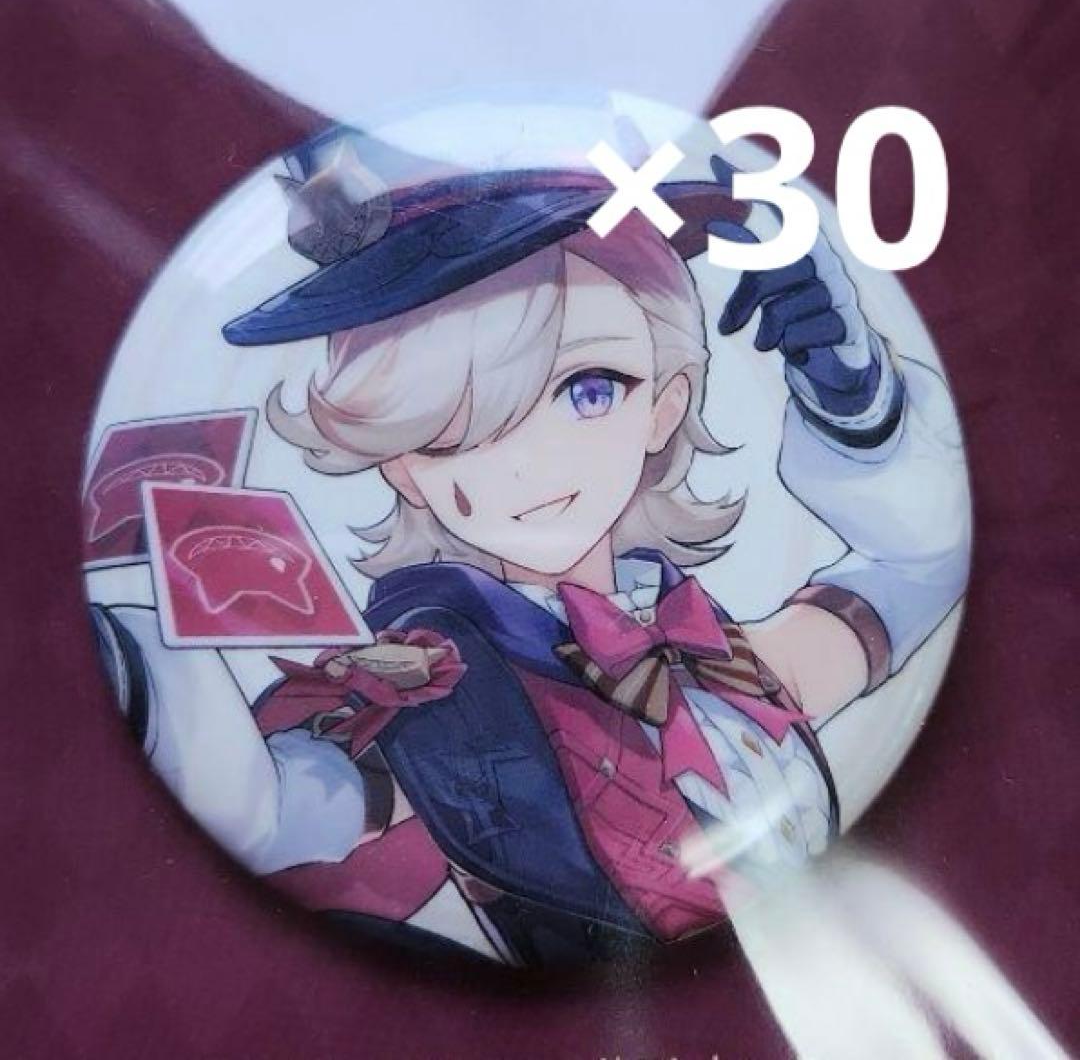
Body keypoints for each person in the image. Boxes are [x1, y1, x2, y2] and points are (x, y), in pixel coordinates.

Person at [92, 131, 970, 967]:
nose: (532, 464)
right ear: (404, 467)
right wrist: (142, 638)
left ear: (663, 407)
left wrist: (854, 396)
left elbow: (918, 571)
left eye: (590, 390)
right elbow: (278, 808)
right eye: (456, 432)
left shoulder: (717, 653)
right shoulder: (444, 693)